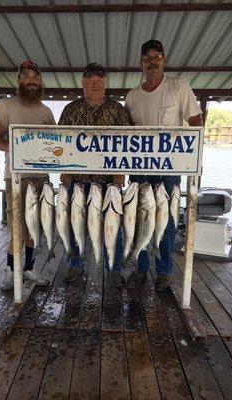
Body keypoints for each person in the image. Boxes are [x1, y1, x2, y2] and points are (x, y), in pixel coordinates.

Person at [125, 40, 203, 291]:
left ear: (164, 60)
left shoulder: (178, 86)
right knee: (140, 219)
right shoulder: (132, 96)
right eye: (147, 57)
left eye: (157, 56)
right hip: (139, 168)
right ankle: (141, 267)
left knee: (167, 220)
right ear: (141, 63)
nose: (152, 61)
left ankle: (165, 271)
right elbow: (124, 135)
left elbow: (196, 121)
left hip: (169, 168)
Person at [59, 63, 131, 287]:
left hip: (109, 181)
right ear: (83, 82)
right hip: (79, 181)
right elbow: (61, 140)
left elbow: (127, 142)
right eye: (90, 77)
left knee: (114, 228)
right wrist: (65, 170)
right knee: (75, 224)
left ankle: (115, 268)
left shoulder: (118, 109)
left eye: (100, 77)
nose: (95, 81)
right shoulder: (71, 109)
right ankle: (75, 264)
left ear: (105, 82)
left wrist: (120, 173)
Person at [0, 60, 56, 290]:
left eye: (35, 77)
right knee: (17, 228)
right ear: (19, 80)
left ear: (40, 82)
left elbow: (55, 144)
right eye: (26, 76)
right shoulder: (5, 105)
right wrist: (20, 150)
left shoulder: (46, 112)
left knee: (34, 229)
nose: (31, 81)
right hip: (16, 177)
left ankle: (28, 268)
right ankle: (10, 269)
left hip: (42, 178)